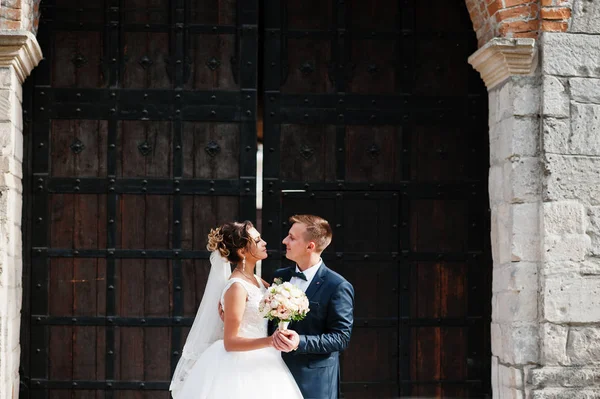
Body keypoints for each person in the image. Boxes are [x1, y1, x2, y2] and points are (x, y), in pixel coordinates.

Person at [169, 221, 303, 399]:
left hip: (265, 360)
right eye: (257, 240)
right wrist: (270, 341)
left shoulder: (256, 280)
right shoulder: (237, 287)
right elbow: (230, 342)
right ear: (242, 251)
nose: (264, 243)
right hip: (239, 364)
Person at [271, 214, 355, 399]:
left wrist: (299, 341)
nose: (285, 241)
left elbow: (341, 338)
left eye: (292, 238)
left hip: (313, 380)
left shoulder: (337, 286)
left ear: (310, 246)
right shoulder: (280, 277)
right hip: (274, 373)